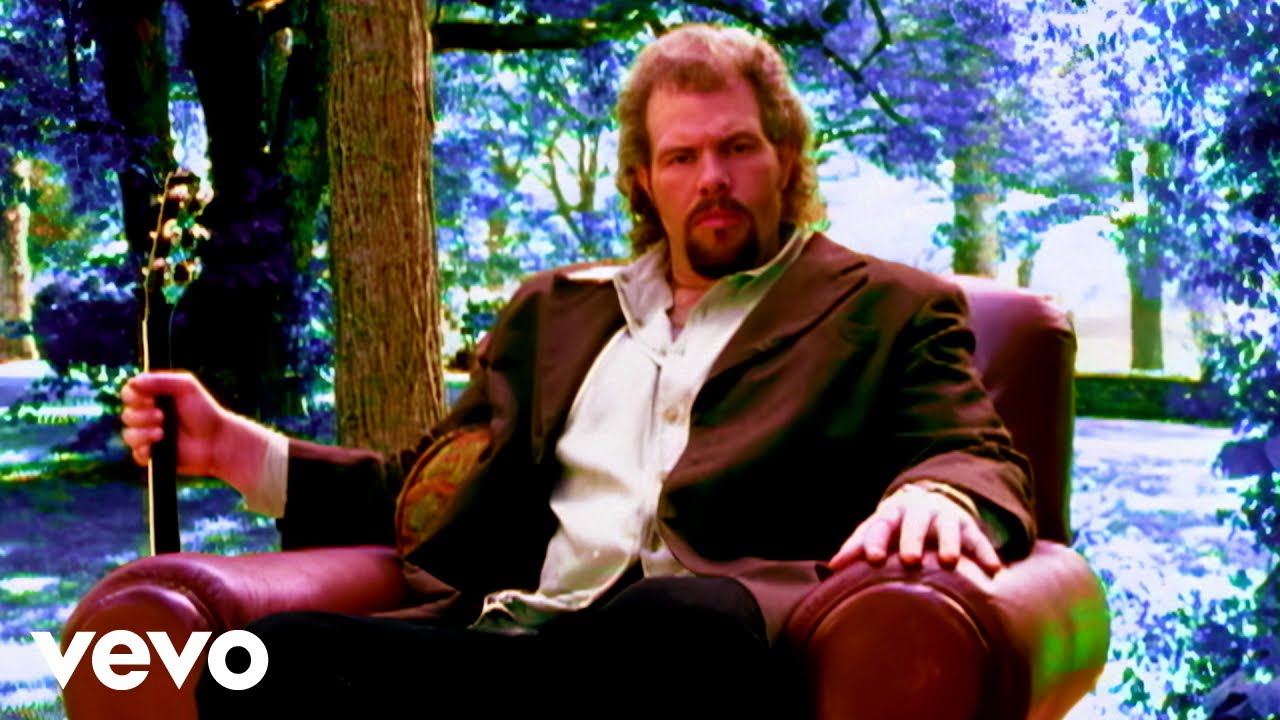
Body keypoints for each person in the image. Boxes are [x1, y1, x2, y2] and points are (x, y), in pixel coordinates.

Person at [121, 23, 1034, 719]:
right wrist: (238, 452)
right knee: (265, 659)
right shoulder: (554, 315)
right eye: (682, 156)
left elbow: (977, 449)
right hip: (516, 641)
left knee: (680, 621)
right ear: (644, 179)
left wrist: (943, 494)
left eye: (738, 147)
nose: (712, 178)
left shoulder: (889, 309)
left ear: (785, 157)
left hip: (703, 648)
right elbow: (430, 493)